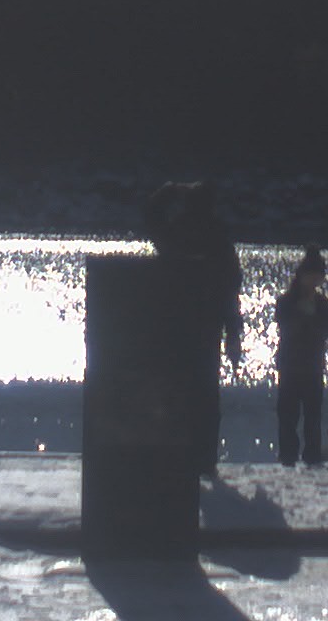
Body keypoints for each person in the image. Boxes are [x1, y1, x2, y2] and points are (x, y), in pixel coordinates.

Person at [144, 181, 245, 477]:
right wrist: (233, 337)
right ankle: (205, 459)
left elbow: (150, 214)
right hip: (207, 328)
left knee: (174, 392)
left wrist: (169, 189)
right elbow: (231, 291)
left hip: (174, 327)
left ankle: (175, 453)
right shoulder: (220, 240)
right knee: (206, 397)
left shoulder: (174, 234)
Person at [271, 249, 328, 467]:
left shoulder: (322, 304)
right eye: (312, 276)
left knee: (313, 415)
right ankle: (288, 455)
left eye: (318, 277)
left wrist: (313, 324)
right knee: (288, 414)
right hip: (291, 363)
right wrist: (304, 321)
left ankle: (312, 455)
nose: (315, 281)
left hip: (312, 365)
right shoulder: (287, 301)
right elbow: (285, 324)